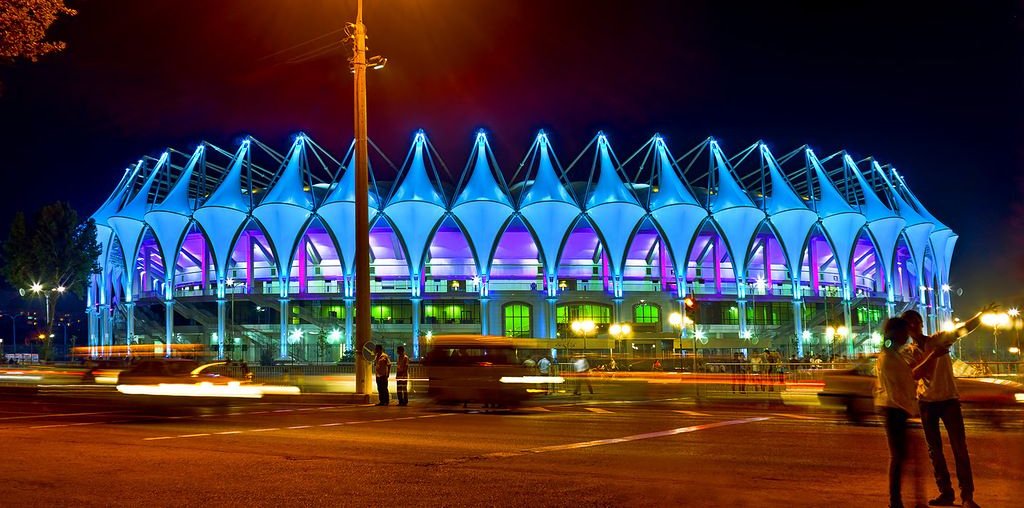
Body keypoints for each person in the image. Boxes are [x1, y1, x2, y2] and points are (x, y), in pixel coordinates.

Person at [902, 307, 991, 508]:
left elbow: (963, 329)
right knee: (935, 451)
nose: (914, 326)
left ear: (922, 323)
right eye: (909, 324)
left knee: (960, 449)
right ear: (906, 329)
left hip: (949, 400)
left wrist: (980, 315)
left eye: (916, 321)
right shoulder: (908, 352)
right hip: (926, 403)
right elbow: (914, 374)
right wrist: (932, 355)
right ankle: (946, 493)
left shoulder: (939, 339)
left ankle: (967, 496)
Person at [876, 317, 947, 508]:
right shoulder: (889, 358)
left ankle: (904, 500)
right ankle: (896, 501)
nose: (907, 335)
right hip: (894, 411)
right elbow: (902, 386)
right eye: (904, 331)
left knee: (902, 457)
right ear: (896, 333)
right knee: (899, 457)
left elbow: (908, 379)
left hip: (899, 411)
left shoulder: (894, 354)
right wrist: (912, 410)